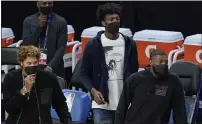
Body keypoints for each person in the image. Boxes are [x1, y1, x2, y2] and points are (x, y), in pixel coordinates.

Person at [81, 3, 139, 124]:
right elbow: (84, 73)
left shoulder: (130, 44)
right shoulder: (93, 45)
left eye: (117, 18)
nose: (115, 21)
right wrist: (93, 91)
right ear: (103, 23)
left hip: (125, 104)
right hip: (102, 105)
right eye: (111, 19)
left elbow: (134, 72)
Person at [115, 49, 188, 124]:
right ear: (151, 62)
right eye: (160, 62)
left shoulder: (173, 81)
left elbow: (179, 110)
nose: (164, 64)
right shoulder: (135, 79)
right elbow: (122, 107)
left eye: (166, 62)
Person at [2, 45, 71, 124]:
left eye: (35, 62)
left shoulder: (49, 78)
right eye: (29, 63)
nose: (32, 66)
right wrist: (24, 90)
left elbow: (60, 103)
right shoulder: (11, 78)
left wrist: (67, 120)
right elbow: (9, 109)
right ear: (21, 63)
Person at [22, 1, 67, 78]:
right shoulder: (28, 21)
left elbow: (62, 48)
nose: (47, 6)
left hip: (54, 67)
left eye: (50, 3)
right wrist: (39, 27)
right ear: (38, 4)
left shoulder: (61, 21)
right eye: (44, 3)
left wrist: (50, 67)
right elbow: (27, 44)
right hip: (33, 66)